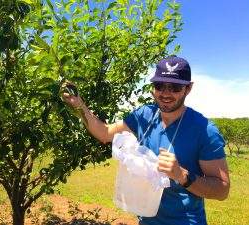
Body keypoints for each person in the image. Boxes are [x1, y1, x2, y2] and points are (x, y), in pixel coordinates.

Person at [62, 56, 230, 225]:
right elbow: (105, 133)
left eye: (175, 87)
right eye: (160, 86)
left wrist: (181, 175)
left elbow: (222, 190)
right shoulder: (145, 115)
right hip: (146, 219)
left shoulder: (205, 130)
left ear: (188, 88)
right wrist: (79, 105)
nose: (165, 93)